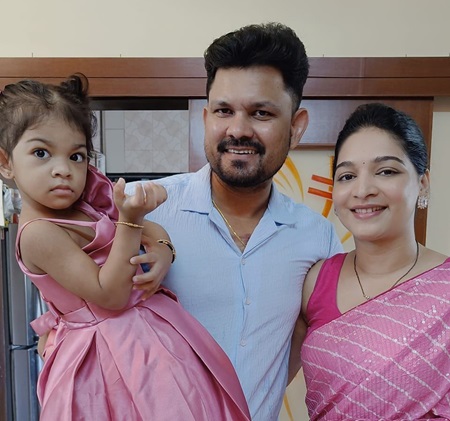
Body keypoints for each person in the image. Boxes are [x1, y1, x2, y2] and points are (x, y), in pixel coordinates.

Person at [0, 76, 250, 420]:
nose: (63, 170)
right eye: (41, 153)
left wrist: (163, 251)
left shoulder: (85, 202)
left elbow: (153, 230)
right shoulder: (39, 233)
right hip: (107, 357)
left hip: (153, 338)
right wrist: (129, 221)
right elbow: (111, 294)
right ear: (5, 162)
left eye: (76, 156)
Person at [128, 23, 343, 420]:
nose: (238, 130)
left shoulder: (318, 238)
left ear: (296, 127)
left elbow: (306, 337)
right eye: (224, 111)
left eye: (261, 113)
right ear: (207, 117)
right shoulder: (142, 208)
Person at [300, 103, 450, 420]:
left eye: (386, 171)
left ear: (422, 183)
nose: (363, 190)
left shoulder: (445, 289)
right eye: (347, 176)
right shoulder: (315, 280)